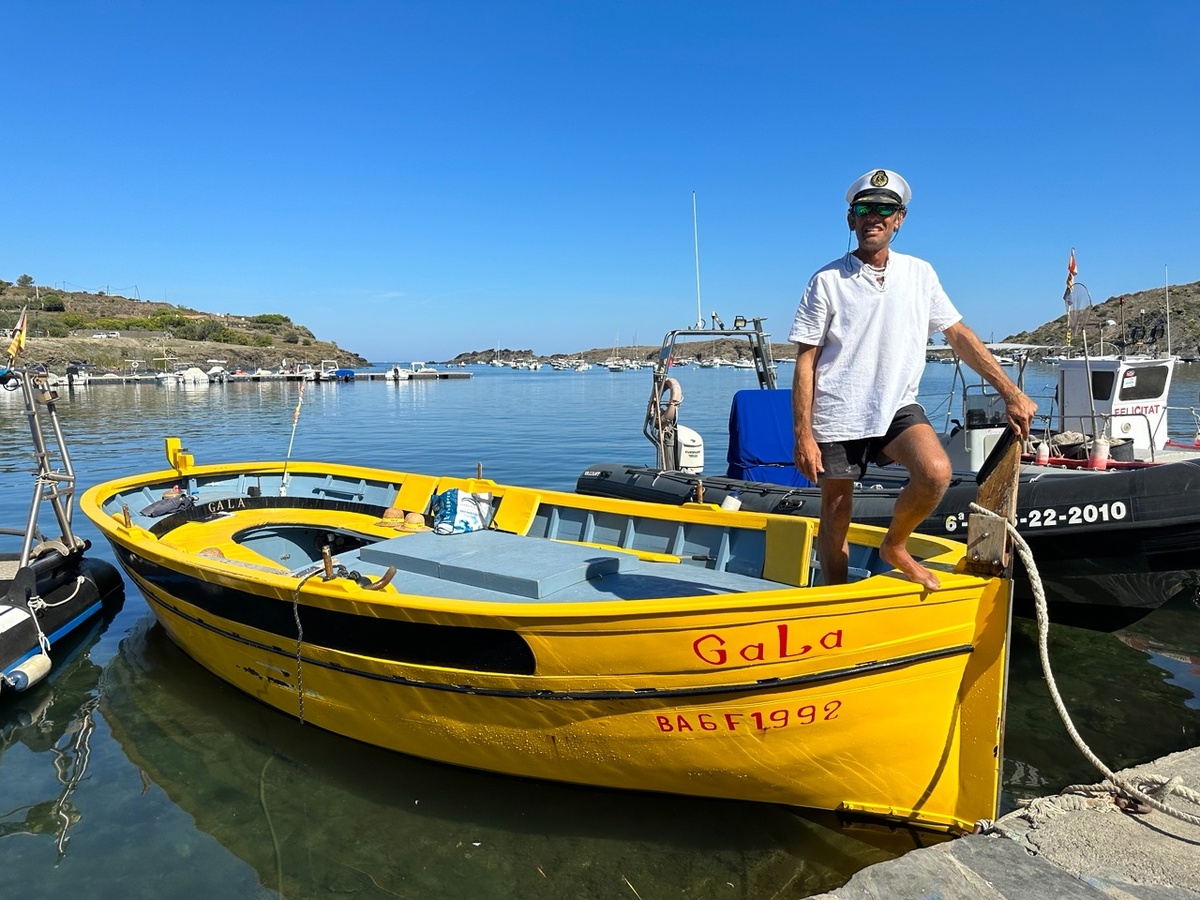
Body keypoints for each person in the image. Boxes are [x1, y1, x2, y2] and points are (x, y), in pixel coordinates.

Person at [789, 168, 1037, 590]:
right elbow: (806, 360)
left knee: (936, 471)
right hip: (837, 412)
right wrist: (803, 435)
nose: (874, 217)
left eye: (884, 210)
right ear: (851, 219)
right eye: (864, 209)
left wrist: (1010, 391)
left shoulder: (921, 274)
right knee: (835, 519)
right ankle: (833, 601)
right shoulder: (827, 280)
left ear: (899, 218)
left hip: (896, 407)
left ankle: (895, 545)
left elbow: (957, 334)